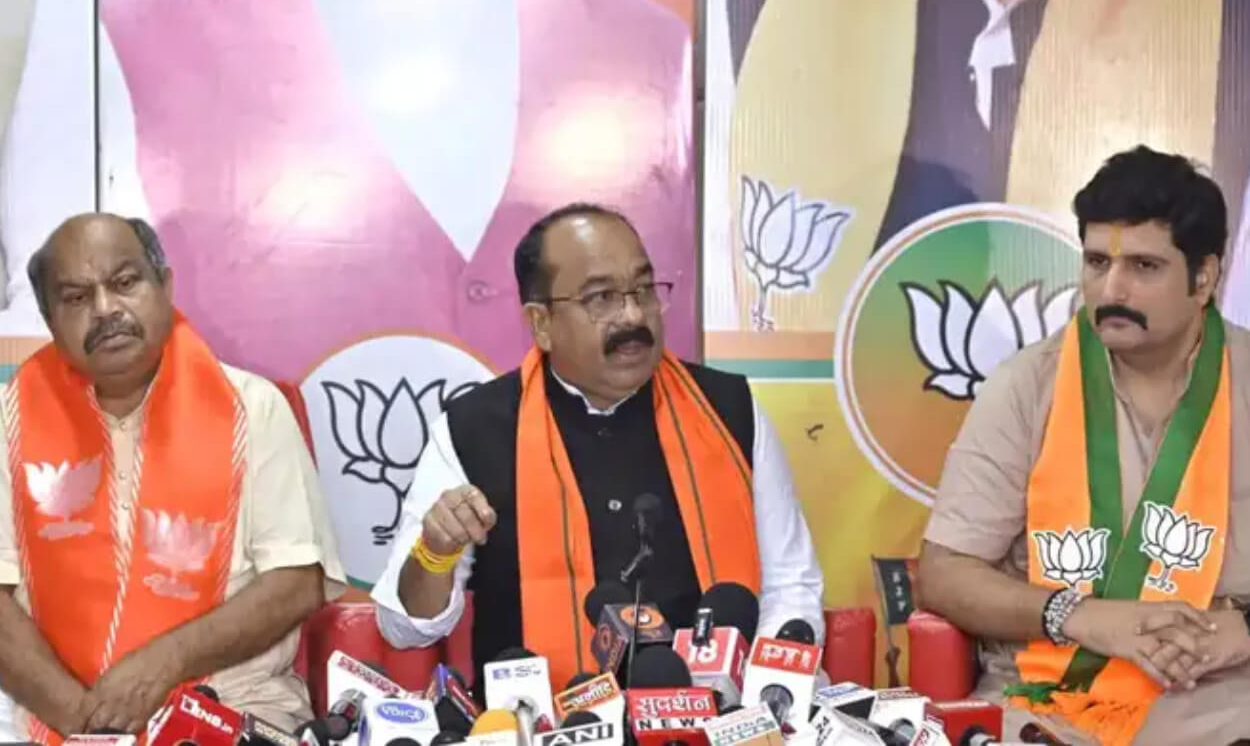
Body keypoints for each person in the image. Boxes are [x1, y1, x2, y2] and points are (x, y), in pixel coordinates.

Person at [371, 203, 824, 688]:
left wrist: (764, 696)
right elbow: (404, 628)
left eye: (643, 290)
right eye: (601, 298)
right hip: (538, 720)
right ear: (541, 323)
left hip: (716, 714)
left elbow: (790, 587)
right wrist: (435, 552)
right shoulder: (472, 430)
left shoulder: (730, 410)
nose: (633, 315)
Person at [918, 145, 1250, 745]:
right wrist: (1077, 615)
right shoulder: (1027, 385)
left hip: (1221, 702)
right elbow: (945, 574)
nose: (1111, 289)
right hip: (1049, 707)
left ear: (1204, 278)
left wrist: (1244, 629)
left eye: (1144, 267)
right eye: (1097, 262)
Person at [0, 213, 346, 741]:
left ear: (164, 286)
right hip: (49, 716)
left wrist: (163, 665)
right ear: (50, 320)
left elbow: (295, 584)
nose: (105, 309)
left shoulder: (251, 408)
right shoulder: (11, 421)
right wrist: (84, 721)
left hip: (227, 704)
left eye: (124, 282)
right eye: (76, 297)